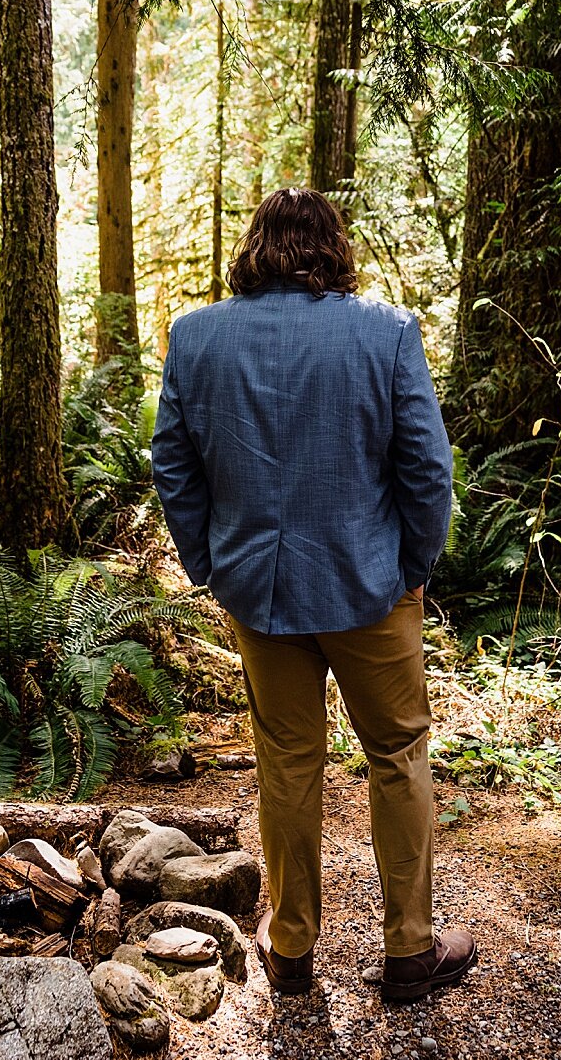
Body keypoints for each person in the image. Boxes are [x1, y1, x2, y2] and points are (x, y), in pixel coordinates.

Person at [151, 187, 475, 1002]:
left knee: (287, 763)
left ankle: (291, 946)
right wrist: (415, 564)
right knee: (398, 754)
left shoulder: (196, 337)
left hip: (258, 592)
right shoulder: (387, 331)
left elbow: (173, 467)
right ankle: (409, 949)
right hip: (374, 587)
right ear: (333, 248)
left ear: (253, 249)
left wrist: (209, 564)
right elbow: (429, 469)